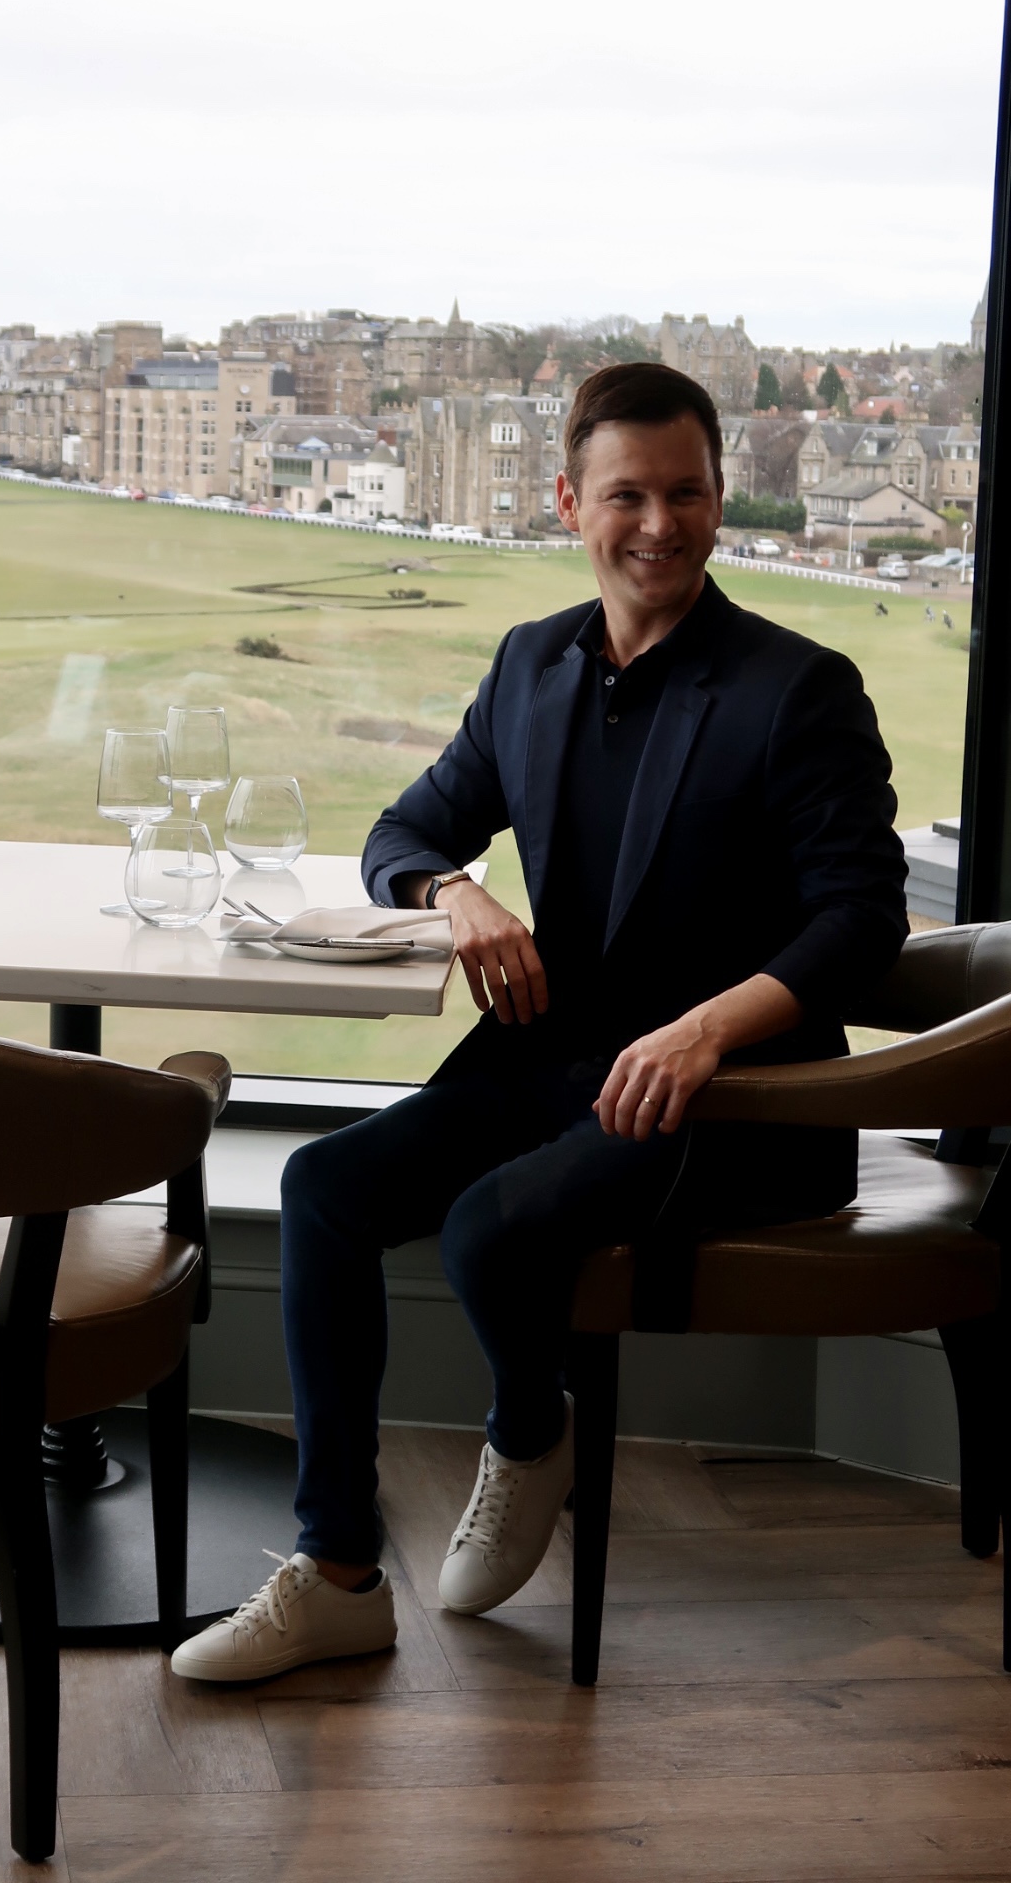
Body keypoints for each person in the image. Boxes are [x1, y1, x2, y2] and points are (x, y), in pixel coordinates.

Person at [170, 362, 907, 1684]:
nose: (661, 524)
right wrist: (456, 893)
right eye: (628, 495)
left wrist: (705, 1031)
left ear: (720, 495)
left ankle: (527, 1434)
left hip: (734, 1101)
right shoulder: (531, 664)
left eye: (687, 492)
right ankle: (339, 1576)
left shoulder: (800, 689)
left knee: (485, 1226)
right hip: (554, 1060)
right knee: (322, 1191)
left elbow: (863, 920)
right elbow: (402, 834)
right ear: (569, 503)